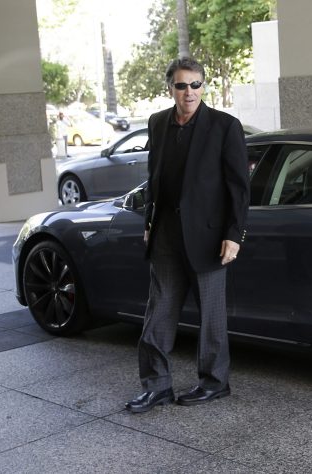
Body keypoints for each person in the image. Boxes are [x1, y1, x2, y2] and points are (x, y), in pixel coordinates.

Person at [125, 57, 250, 413]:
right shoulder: (158, 123)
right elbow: (156, 177)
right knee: (158, 312)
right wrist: (149, 222)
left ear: (202, 86)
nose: (190, 92)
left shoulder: (225, 127)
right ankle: (156, 386)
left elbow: (239, 188)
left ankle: (214, 382)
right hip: (165, 233)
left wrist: (234, 234)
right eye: (182, 85)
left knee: (211, 316)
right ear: (171, 89)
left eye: (196, 85)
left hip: (209, 236)